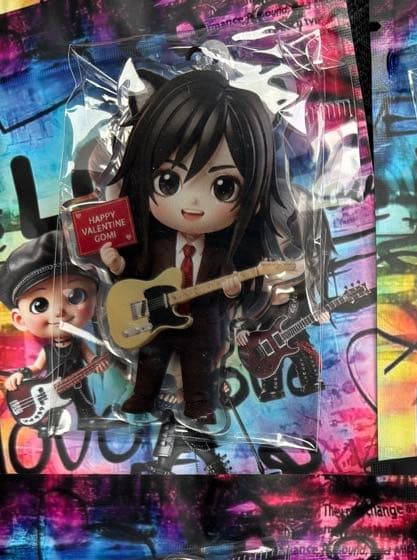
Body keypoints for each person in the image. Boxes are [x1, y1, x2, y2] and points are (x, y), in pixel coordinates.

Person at [97, 69, 301, 425]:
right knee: (151, 359)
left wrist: (234, 288)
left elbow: (233, 286)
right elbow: (138, 274)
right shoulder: (158, 245)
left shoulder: (221, 254)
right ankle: (142, 398)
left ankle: (199, 405)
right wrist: (117, 266)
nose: (192, 203)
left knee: (198, 365)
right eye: (168, 181)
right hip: (154, 321)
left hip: (203, 325)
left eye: (224, 187)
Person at [0, 231, 108, 428]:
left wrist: (97, 362)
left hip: (76, 383)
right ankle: (51, 422)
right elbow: (36, 368)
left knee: (83, 399)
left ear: (97, 299)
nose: (59, 311)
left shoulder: (79, 342)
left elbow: (90, 357)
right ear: (19, 319)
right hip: (50, 391)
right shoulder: (47, 350)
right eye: (40, 305)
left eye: (75, 295)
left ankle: (87, 418)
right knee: (57, 411)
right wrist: (21, 374)